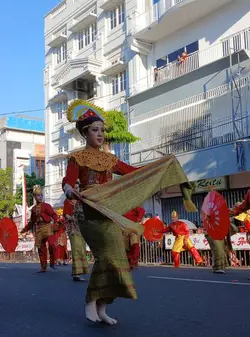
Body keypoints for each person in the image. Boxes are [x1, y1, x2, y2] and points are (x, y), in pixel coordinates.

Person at [62, 101, 197, 325]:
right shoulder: (77, 158)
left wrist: (162, 165)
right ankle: (90, 301)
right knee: (105, 257)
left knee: (118, 258)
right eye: (95, 130)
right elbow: (68, 180)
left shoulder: (110, 159)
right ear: (85, 133)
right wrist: (68, 189)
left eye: (102, 130)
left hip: (108, 211)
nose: (100, 134)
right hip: (87, 211)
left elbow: (134, 172)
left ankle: (103, 306)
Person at [20, 185, 58, 272]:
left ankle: (52, 262)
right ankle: (43, 266)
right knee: (41, 248)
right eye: (38, 195)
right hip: (39, 228)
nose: (40, 197)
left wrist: (56, 222)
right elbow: (32, 222)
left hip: (48, 226)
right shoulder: (33, 209)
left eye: (41, 195)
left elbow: (54, 215)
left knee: (52, 245)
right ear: (35, 197)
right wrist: (23, 230)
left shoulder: (46, 206)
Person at [63, 198, 89, 282]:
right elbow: (66, 214)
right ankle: (76, 273)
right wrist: (71, 218)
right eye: (75, 187)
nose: (76, 189)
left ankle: (80, 272)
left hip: (81, 227)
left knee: (82, 248)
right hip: (73, 228)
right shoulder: (67, 201)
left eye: (77, 187)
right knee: (76, 248)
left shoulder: (80, 201)